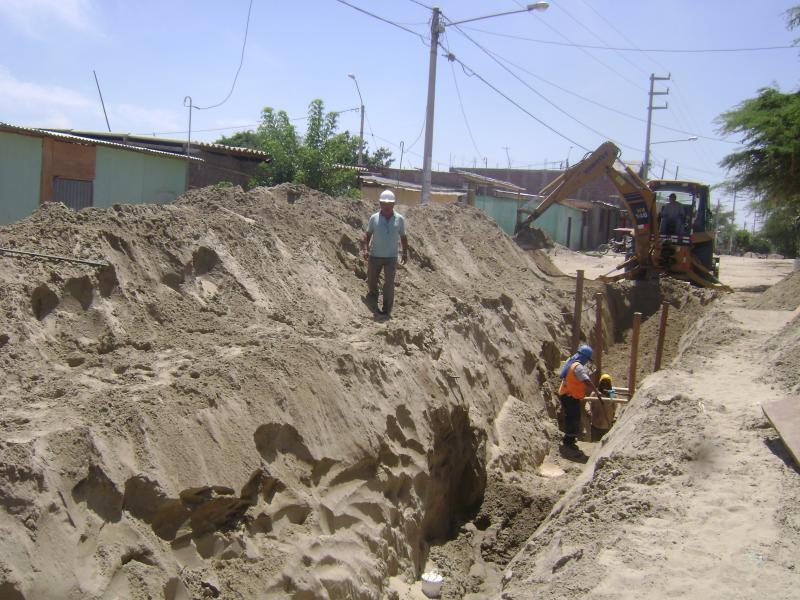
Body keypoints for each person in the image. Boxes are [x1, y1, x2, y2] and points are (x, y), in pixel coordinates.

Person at [362, 190, 408, 317]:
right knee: (372, 280)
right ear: (380, 204)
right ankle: (373, 299)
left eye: (389, 204)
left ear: (393, 204)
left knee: (389, 284)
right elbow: (367, 235)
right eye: (384, 203)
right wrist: (365, 249)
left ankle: (386, 310)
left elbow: (403, 237)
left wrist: (405, 253)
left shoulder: (399, 219)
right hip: (374, 255)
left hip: (391, 258)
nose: (386, 206)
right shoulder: (374, 218)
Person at [558, 344, 602, 451]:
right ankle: (569, 441)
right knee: (573, 418)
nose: (587, 361)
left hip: (567, 394)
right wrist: (596, 391)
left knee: (572, 417)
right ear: (584, 357)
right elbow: (586, 381)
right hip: (570, 396)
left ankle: (570, 439)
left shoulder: (571, 362)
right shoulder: (578, 367)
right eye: (587, 359)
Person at [590, 373, 616, 442]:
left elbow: (615, 407)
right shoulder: (595, 393)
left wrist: (614, 417)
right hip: (595, 425)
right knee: (594, 444)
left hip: (606, 426)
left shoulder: (612, 394)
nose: (605, 385)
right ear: (600, 383)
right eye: (603, 383)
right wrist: (589, 412)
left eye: (607, 383)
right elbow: (589, 404)